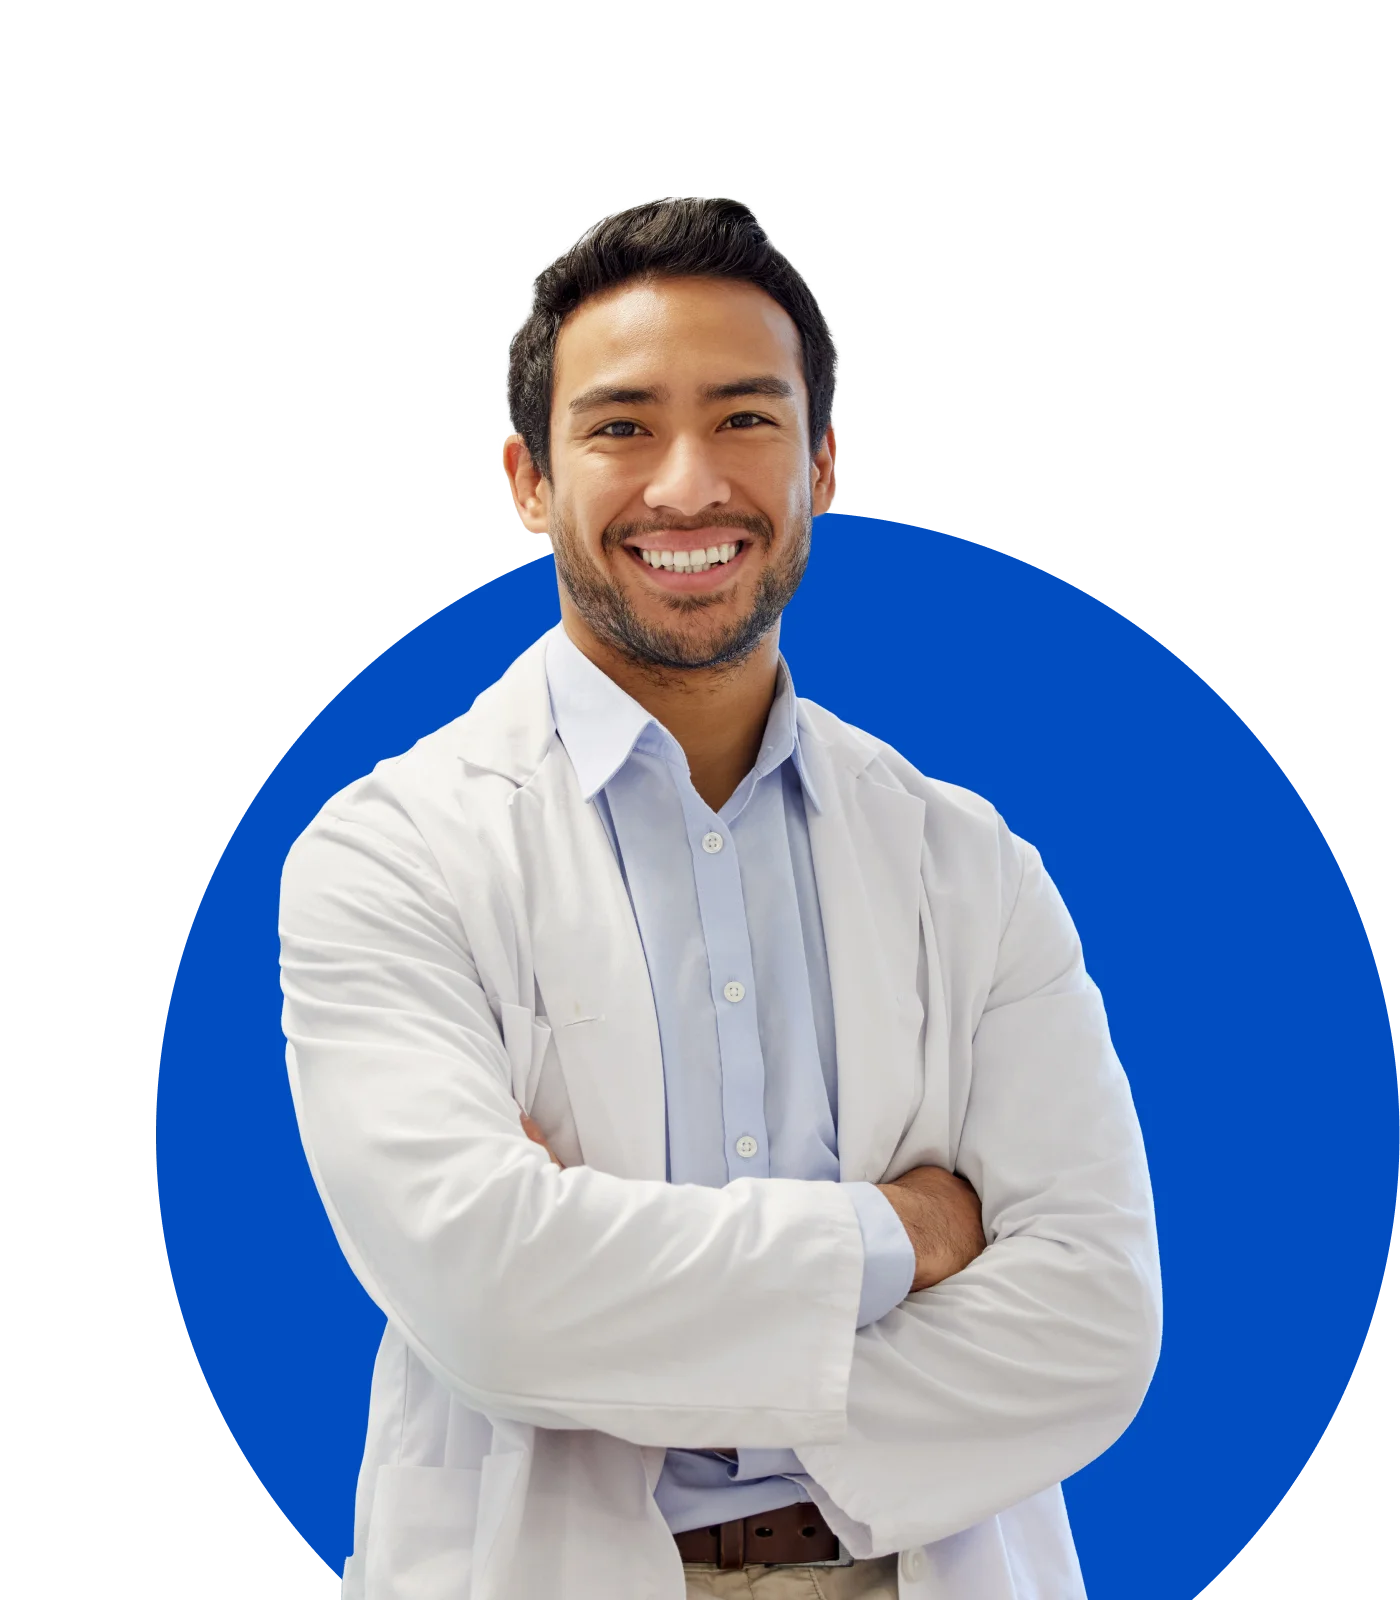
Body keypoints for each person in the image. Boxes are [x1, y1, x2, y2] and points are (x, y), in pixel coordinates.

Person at [278, 193, 1162, 1600]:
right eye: (621, 425)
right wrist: (906, 1235)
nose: (689, 485)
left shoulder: (968, 863)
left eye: (747, 420)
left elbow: (1098, 1323)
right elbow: (493, 1298)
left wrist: (623, 1324)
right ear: (527, 477)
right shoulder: (391, 855)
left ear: (820, 463)